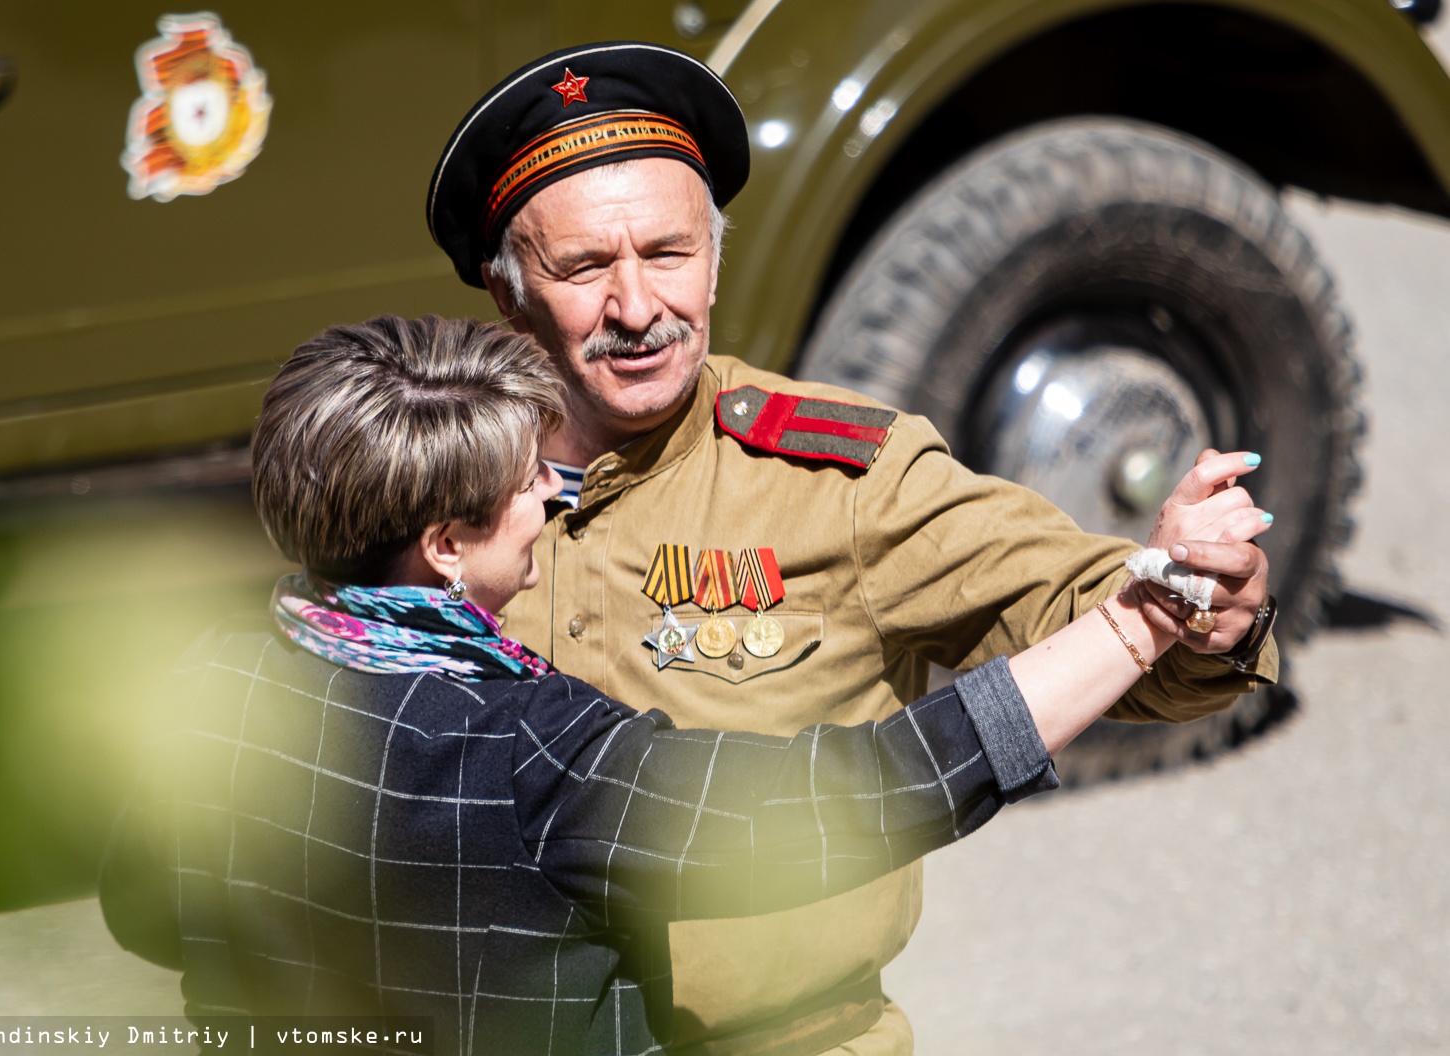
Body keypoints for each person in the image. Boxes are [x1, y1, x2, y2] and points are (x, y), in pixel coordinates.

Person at [424, 41, 1280, 1056]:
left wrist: (1203, 603)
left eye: (668, 254)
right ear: (507, 288)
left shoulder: (837, 475)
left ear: (714, 254)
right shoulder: (434, 484)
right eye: (583, 268)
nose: (639, 308)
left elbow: (1066, 592)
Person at [98, 315, 1267, 1054]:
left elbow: (143, 915)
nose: (554, 499)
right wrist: (1136, 622)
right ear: (444, 545)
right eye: (521, 486)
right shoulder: (530, 748)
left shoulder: (208, 685)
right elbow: (860, 796)